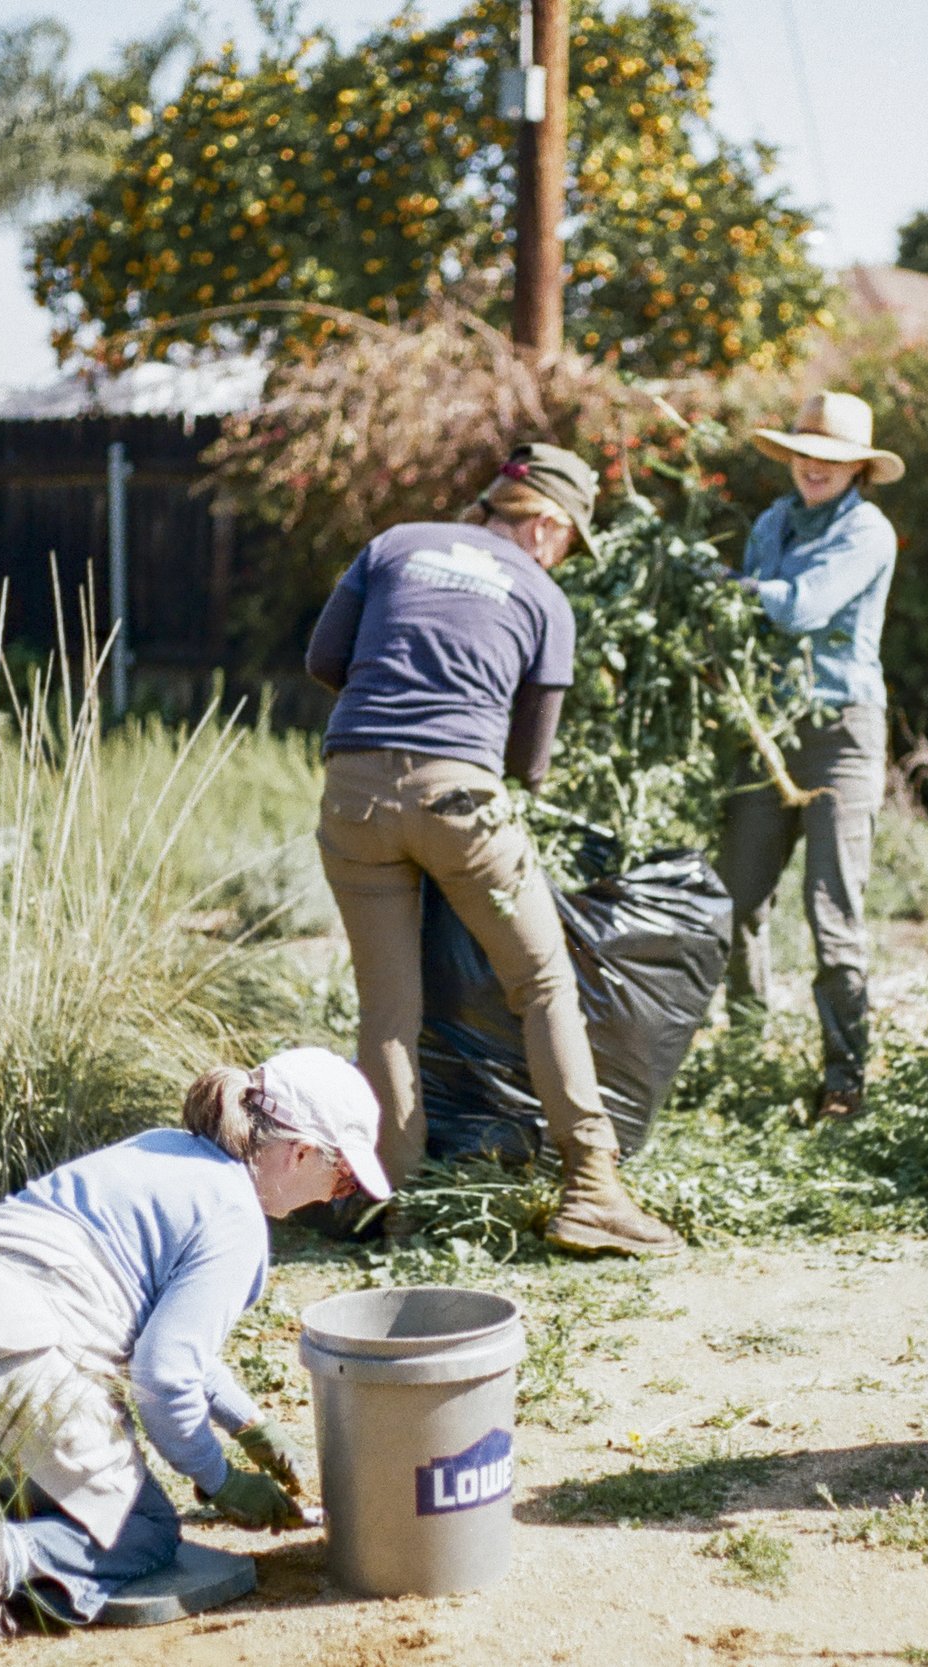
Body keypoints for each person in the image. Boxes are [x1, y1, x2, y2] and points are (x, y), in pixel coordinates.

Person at [0, 1048, 390, 1661]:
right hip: (12, 1352)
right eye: (343, 1179)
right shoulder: (237, 1219)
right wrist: (219, 1479)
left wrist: (250, 1425)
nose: (334, 1198)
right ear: (299, 1152)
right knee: (142, 1530)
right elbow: (164, 1374)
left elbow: (163, 1334)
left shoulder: (162, 1149)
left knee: (16, 1480)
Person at [302, 442, 682, 1258]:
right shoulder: (543, 596)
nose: (564, 557)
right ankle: (592, 1188)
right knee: (542, 982)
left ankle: (396, 1205)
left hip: (353, 790)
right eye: (569, 540)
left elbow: (324, 659)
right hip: (461, 802)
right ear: (545, 522)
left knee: (388, 1013)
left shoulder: (394, 544)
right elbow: (529, 765)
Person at [720, 391, 902, 1122]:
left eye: (830, 458)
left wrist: (731, 590)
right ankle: (745, 1058)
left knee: (832, 912)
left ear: (858, 467)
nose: (813, 466)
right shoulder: (772, 522)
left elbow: (800, 607)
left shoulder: (868, 531)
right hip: (768, 728)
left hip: (840, 733)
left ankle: (844, 1085)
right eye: (803, 452)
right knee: (736, 903)